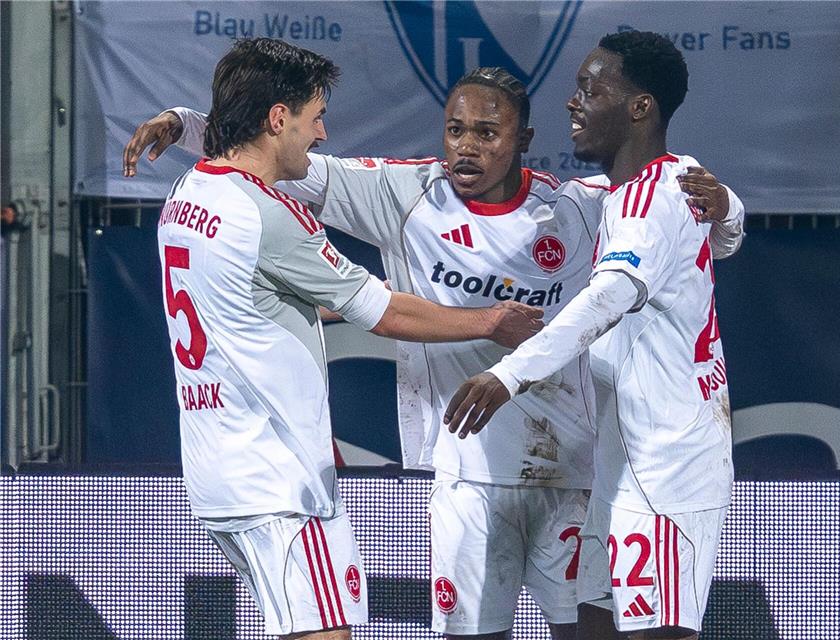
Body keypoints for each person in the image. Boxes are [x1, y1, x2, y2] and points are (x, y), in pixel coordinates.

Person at [125, 64, 742, 640]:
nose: (467, 147)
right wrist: (185, 123)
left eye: (487, 132)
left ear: (522, 138)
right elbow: (274, 152)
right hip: (465, 475)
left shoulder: (575, 209)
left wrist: (729, 209)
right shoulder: (404, 195)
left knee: (593, 632)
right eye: (456, 130)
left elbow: (665, 216)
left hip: (569, 474)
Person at [153, 39, 543, 640]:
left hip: (218, 474)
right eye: (315, 117)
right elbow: (382, 314)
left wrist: (180, 119)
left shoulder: (190, 196)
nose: (324, 133)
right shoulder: (270, 215)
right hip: (283, 482)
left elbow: (249, 304)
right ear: (277, 119)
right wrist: (490, 322)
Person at [444, 32, 734, 640]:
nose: (573, 104)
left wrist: (508, 373)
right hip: (617, 468)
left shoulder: (649, 200)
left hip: (665, 476)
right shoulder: (670, 182)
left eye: (590, 90)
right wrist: (732, 209)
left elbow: (606, 297)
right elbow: (720, 236)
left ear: (639, 108)